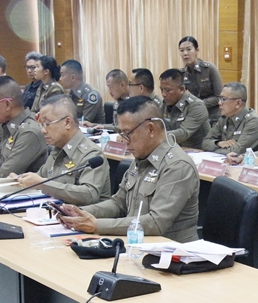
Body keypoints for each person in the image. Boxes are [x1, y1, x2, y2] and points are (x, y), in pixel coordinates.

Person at [58, 96, 199, 243]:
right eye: (121, 134)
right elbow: (118, 203)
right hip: (137, 243)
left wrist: (96, 225)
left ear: (150, 129)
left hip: (171, 250)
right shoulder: (142, 156)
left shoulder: (177, 165)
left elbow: (156, 222)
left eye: (127, 133)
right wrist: (80, 212)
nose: (124, 141)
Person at [16, 94, 110, 206]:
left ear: (67, 122)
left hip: (81, 215)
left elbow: (89, 194)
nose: (43, 130)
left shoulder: (91, 154)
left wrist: (43, 184)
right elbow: (39, 178)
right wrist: (19, 180)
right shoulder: (57, 149)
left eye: (47, 124)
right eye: (41, 125)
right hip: (53, 212)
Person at [202, 82, 258, 155]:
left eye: (223, 99)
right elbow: (205, 143)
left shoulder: (253, 121)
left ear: (238, 103)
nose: (219, 103)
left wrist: (213, 150)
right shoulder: (225, 118)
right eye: (220, 98)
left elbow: (236, 151)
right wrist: (218, 143)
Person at [159, 68, 210, 149]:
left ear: (181, 89)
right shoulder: (165, 104)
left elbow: (184, 133)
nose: (163, 94)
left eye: (167, 90)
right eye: (161, 90)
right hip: (175, 149)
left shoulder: (196, 106)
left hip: (198, 151)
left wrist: (157, 137)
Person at [179, 36, 223, 124]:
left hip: (214, 116)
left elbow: (220, 96)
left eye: (189, 49)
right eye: (182, 50)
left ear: (197, 50)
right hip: (196, 116)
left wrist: (199, 104)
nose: (185, 53)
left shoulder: (209, 69)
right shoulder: (182, 73)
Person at [59, 59, 105, 126]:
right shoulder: (72, 93)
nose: (60, 79)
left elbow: (84, 122)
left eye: (62, 75)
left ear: (73, 77)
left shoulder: (91, 95)